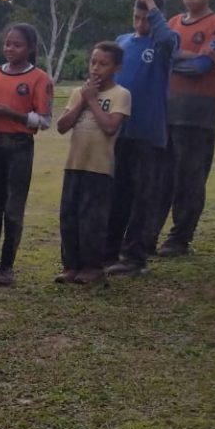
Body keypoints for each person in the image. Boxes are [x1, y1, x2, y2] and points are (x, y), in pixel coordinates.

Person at [104, 0, 180, 276]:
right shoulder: (122, 41)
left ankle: (135, 257)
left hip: (148, 134)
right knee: (117, 194)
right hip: (120, 131)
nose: (140, 24)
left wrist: (150, 2)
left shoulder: (163, 43)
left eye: (146, 19)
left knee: (143, 197)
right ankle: (109, 253)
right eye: (136, 17)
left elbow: (167, 38)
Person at [155, 0, 215, 257]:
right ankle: (148, 235)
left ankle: (180, 238)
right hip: (168, 110)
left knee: (190, 177)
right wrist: (188, 56)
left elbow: (202, 67)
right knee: (161, 177)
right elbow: (162, 57)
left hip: (198, 113)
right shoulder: (173, 23)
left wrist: (177, 58)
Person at [0, 23, 53, 286]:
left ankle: (6, 266)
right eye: (7, 43)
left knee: (13, 208)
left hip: (20, 146)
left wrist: (12, 114)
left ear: (30, 48)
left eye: (17, 45)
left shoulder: (39, 78)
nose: (10, 48)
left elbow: (44, 120)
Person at [55, 42, 132, 285]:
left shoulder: (121, 95)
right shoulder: (79, 93)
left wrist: (93, 101)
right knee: (69, 217)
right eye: (93, 62)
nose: (96, 68)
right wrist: (83, 100)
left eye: (103, 64)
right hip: (74, 165)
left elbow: (110, 127)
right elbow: (62, 126)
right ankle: (71, 265)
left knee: (93, 220)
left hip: (99, 168)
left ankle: (92, 267)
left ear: (117, 68)